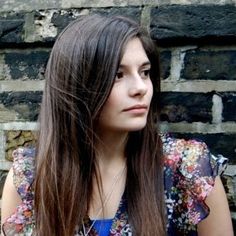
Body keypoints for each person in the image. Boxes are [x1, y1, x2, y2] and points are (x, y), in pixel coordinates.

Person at [1, 14, 234, 236]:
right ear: (77, 84)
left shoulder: (190, 170)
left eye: (145, 72)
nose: (141, 88)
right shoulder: (31, 178)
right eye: (117, 75)